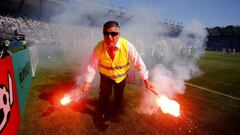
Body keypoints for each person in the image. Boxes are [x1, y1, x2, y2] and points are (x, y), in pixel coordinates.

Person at [80, 21, 153, 123]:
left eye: (113, 33)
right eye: (106, 33)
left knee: (119, 96)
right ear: (103, 34)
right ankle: (102, 112)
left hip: (121, 78)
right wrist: (87, 83)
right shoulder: (98, 47)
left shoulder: (127, 46)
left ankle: (116, 113)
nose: (109, 37)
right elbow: (92, 65)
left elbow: (138, 63)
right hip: (105, 76)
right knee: (104, 96)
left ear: (119, 34)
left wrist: (146, 80)